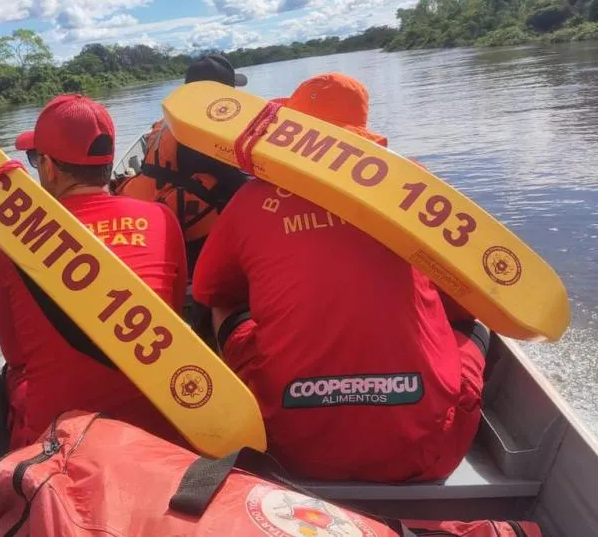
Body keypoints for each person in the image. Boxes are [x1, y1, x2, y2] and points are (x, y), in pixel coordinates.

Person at [192, 73, 486, 483]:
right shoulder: (416, 188)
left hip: (290, 449)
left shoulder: (251, 198)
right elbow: (466, 297)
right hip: (427, 453)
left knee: (227, 309)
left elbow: (211, 291)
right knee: (477, 323)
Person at [0, 93, 189, 450]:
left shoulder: (13, 242)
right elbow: (172, 318)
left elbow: (15, 355)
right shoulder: (162, 218)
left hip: (57, 447)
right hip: (159, 440)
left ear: (50, 168)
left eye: (35, 159)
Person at [113, 54, 251, 273]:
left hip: (150, 220)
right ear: (220, 94)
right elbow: (236, 184)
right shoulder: (202, 130)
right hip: (189, 238)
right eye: (231, 90)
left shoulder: (169, 121)